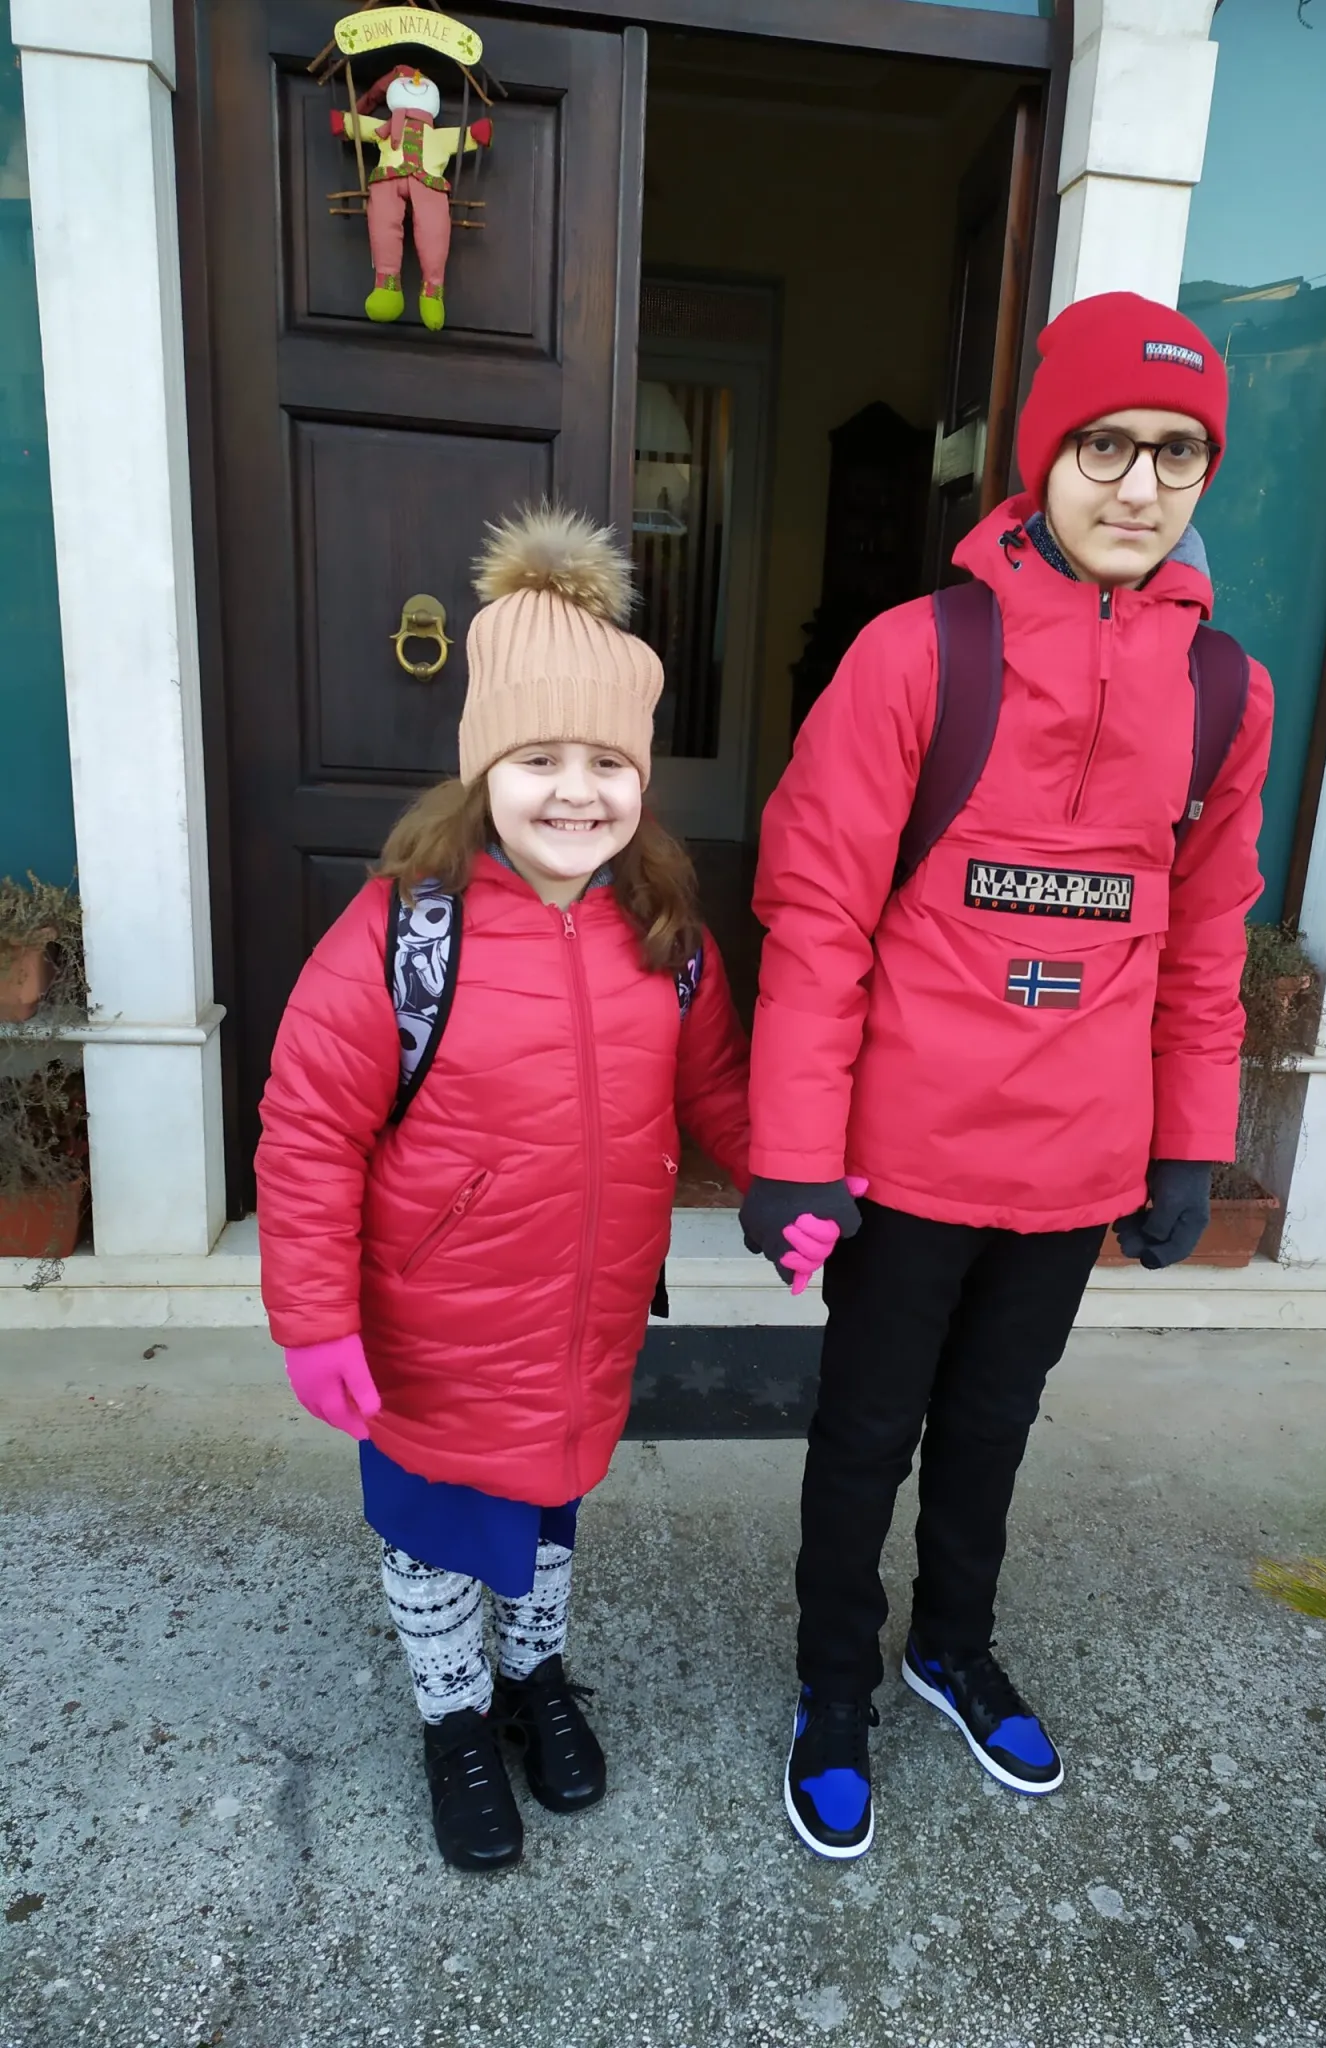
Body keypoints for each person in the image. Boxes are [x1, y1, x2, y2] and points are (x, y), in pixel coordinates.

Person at [740, 292, 1274, 1859]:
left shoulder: (1224, 693)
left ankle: (952, 1648)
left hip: (1074, 1163)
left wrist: (1190, 1142)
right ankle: (835, 1683)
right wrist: (791, 1153)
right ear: (1045, 456)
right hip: (907, 1159)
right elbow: (818, 915)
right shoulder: (923, 655)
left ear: (1203, 474)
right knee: (865, 1436)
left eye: (1176, 452)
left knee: (993, 1428)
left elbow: (1208, 935)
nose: (1138, 484)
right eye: (1104, 444)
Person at [256, 506, 754, 1872]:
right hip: (434, 1322)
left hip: (585, 1315)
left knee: (547, 1506)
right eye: (540, 759)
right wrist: (315, 1318)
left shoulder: (667, 936)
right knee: (433, 1527)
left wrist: (799, 1179)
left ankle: (533, 1679)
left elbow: (719, 1091)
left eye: (608, 762)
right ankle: (455, 1720)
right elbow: (308, 1131)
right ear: (485, 770)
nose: (575, 792)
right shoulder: (403, 930)